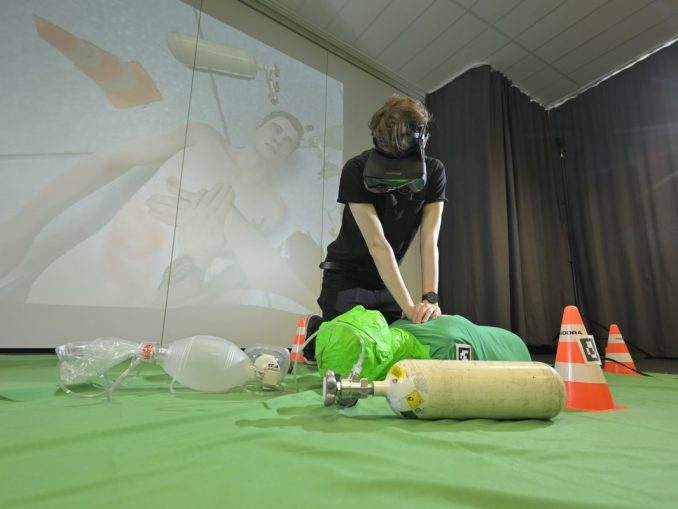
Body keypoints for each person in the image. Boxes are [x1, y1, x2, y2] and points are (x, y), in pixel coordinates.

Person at [0, 111, 306, 308]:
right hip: (95, 258)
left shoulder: (271, 207)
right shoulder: (204, 137)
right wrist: (25, 223)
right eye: (276, 129)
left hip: (153, 297)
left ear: (288, 155)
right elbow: (110, 159)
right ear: (259, 126)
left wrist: (214, 225)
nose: (279, 139)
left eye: (288, 141)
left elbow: (241, 267)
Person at [304, 95, 447, 361]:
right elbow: (377, 243)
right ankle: (318, 332)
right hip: (346, 277)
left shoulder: (435, 172)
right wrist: (410, 307)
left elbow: (429, 240)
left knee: (391, 351)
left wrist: (430, 300)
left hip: (385, 283)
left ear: (421, 137)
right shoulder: (356, 169)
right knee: (344, 353)